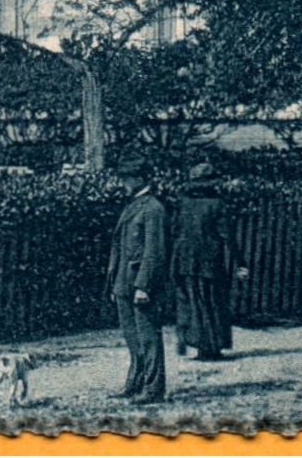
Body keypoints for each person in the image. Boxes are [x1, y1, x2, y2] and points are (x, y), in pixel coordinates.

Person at [106, 157, 169, 404]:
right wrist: (116, 283)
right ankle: (135, 383)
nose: (122, 183)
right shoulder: (134, 204)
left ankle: (153, 389)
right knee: (133, 339)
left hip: (141, 285)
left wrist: (144, 285)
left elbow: (154, 251)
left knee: (148, 337)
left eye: (126, 179)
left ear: (140, 179)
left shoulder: (153, 208)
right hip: (124, 282)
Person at [171, 162, 248, 361]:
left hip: (184, 259)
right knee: (212, 302)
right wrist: (241, 262)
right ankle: (212, 346)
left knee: (191, 301)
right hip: (209, 260)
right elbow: (227, 236)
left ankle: (196, 343)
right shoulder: (217, 203)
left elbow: (175, 230)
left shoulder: (183, 202)